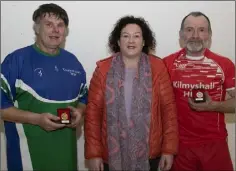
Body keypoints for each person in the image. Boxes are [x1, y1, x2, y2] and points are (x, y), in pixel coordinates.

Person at [84, 15, 179, 171]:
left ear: (143, 41)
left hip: (150, 154)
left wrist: (168, 150)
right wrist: (94, 154)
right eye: (125, 36)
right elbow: (93, 113)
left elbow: (168, 110)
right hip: (112, 154)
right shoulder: (103, 70)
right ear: (118, 41)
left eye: (136, 36)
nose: (131, 41)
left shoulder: (158, 68)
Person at [0, 3, 87, 171]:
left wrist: (80, 112)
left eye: (60, 25)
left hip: (67, 161)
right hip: (27, 162)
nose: (55, 30)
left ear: (65, 31)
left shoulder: (74, 63)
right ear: (37, 28)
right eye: (49, 24)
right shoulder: (16, 61)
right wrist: (37, 120)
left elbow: (84, 99)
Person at [163, 11, 235, 171]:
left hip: (214, 144)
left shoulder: (224, 64)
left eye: (202, 30)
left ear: (209, 35)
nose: (195, 35)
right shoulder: (166, 64)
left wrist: (213, 106)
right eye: (189, 30)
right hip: (179, 146)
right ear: (181, 34)